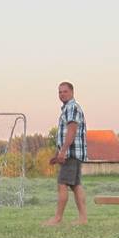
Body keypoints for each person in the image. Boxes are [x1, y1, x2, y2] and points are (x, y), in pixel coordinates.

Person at [43, 81, 87, 226]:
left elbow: (72, 131)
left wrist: (63, 151)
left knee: (62, 184)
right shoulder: (68, 108)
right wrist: (58, 153)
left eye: (65, 91)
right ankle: (83, 218)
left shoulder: (71, 107)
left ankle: (57, 218)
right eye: (60, 92)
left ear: (72, 92)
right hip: (73, 153)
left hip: (70, 154)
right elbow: (63, 134)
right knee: (76, 185)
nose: (62, 94)